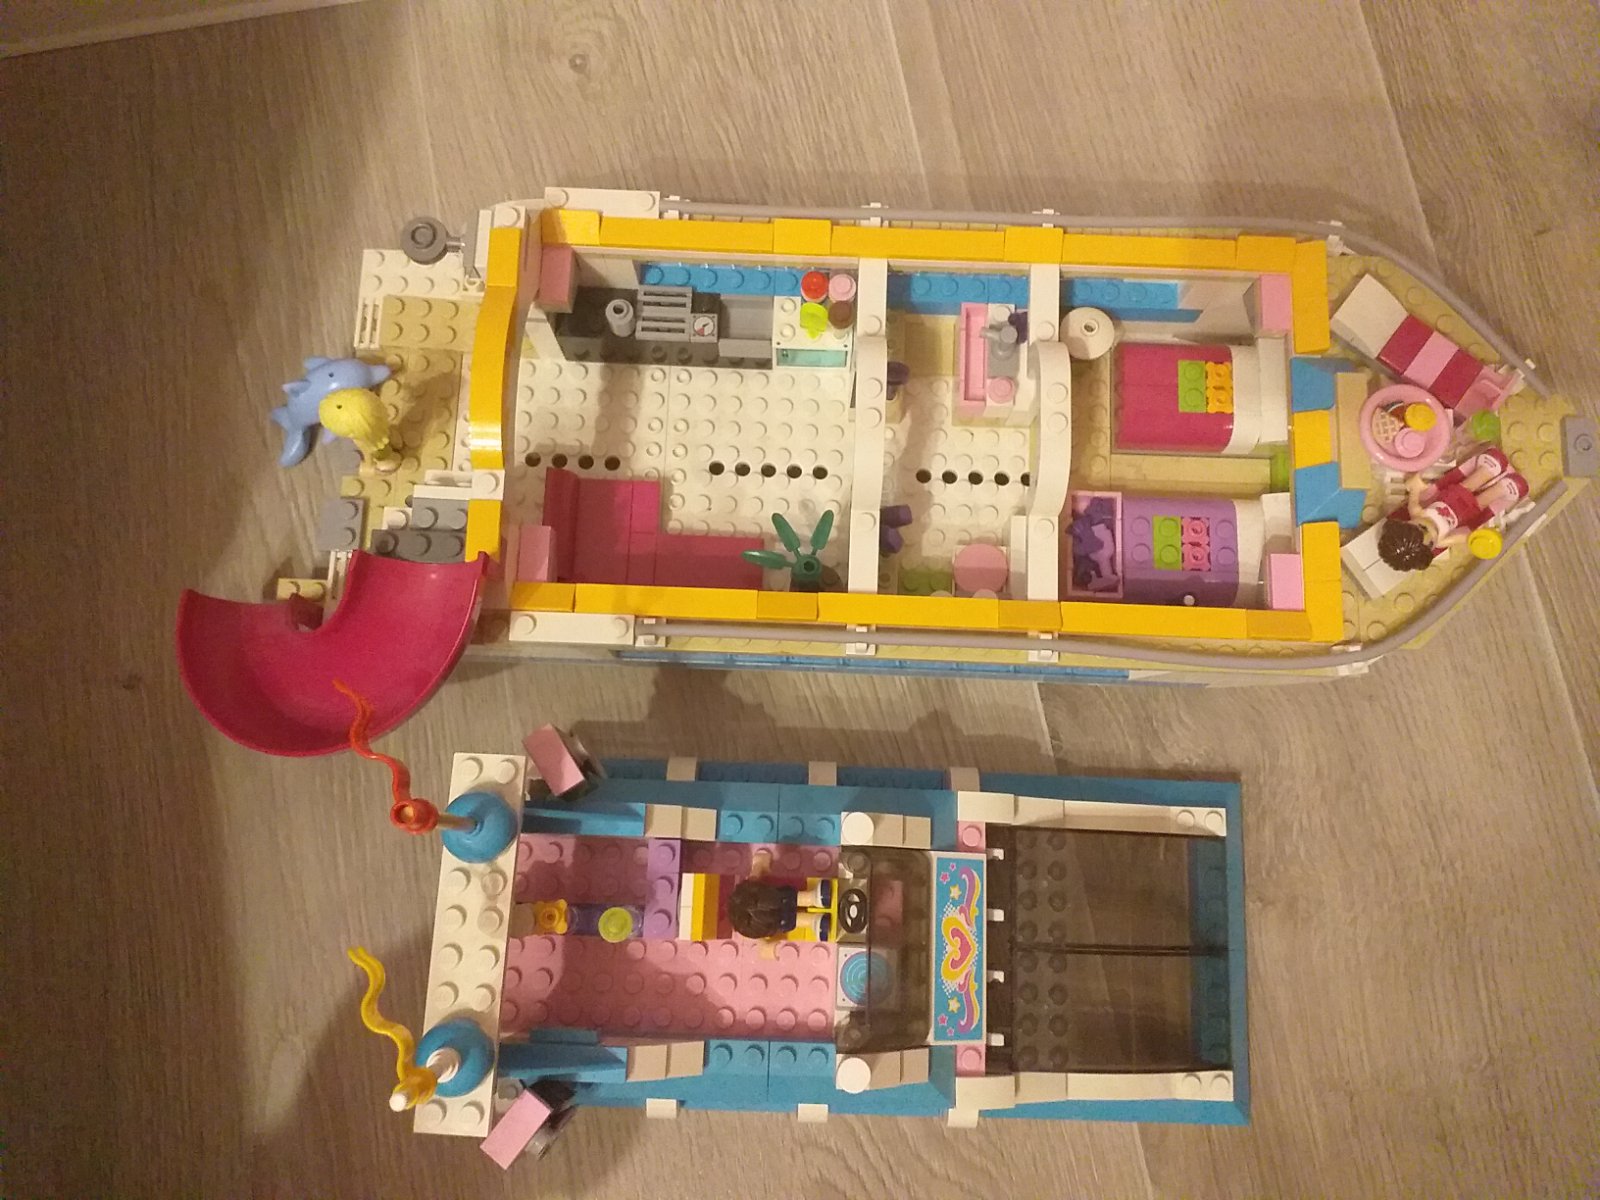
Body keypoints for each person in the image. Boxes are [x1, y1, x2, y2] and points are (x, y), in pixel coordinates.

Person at [1377, 446, 1526, 572]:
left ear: (1407, 522)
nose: (1432, 532)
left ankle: (1486, 471)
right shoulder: (1441, 540)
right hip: (1464, 514)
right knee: (1480, 502)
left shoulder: (1417, 512)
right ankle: (1501, 490)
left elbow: (1414, 494)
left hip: (1451, 497)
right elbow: (1462, 537)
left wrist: (1415, 485)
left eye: (1423, 528)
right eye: (1431, 543)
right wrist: (1474, 537)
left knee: (1468, 485)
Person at [726, 850, 834, 941]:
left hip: (781, 910)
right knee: (792, 911)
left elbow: (760, 862)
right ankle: (813, 916)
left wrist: (758, 866)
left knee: (793, 906)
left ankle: (813, 905)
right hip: (781, 908)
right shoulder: (765, 898)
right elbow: (760, 861)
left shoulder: (763, 918)